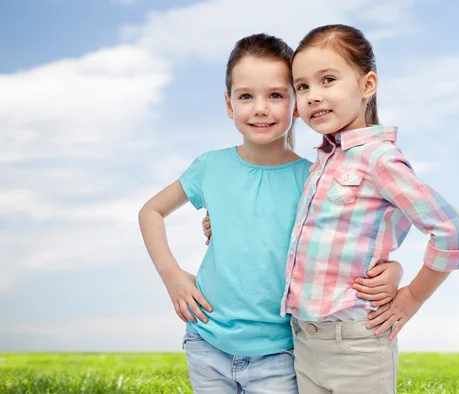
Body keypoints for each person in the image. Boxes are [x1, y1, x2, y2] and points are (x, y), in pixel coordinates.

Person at [138, 32, 402, 394]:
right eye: (246, 96)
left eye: (276, 95)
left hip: (282, 354)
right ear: (229, 105)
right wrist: (172, 276)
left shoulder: (314, 178)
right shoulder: (209, 167)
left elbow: (354, 239)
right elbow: (151, 211)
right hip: (205, 343)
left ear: (296, 104)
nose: (260, 108)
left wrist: (393, 268)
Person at [280, 24, 459, 394]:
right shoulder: (322, 163)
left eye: (328, 79)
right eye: (302, 86)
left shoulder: (379, 159)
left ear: (367, 85)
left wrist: (412, 295)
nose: (313, 96)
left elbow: (452, 231)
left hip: (357, 344)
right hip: (305, 340)